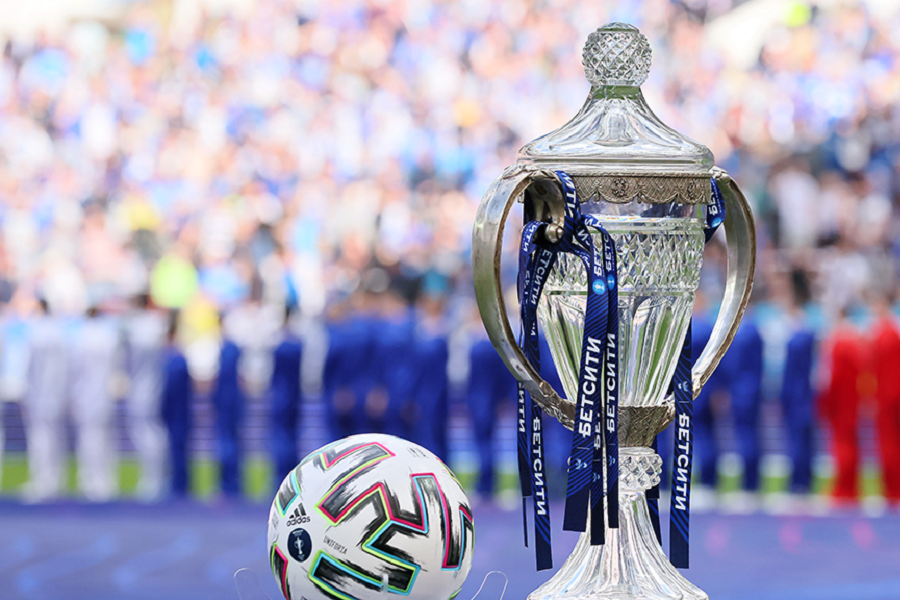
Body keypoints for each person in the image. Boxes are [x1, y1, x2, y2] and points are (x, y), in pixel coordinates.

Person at [69, 306, 120, 501]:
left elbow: (74, 371)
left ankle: (91, 481)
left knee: (89, 440)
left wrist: (72, 396)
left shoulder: (80, 338)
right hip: (105, 396)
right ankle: (106, 482)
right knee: (106, 441)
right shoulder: (108, 337)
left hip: (87, 396)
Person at [123, 293, 168, 500]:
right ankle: (155, 479)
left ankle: (154, 480)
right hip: (150, 384)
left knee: (147, 433)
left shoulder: (139, 327)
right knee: (151, 432)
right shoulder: (154, 324)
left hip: (144, 386)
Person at [22, 298, 67, 502]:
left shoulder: (36, 333)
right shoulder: (58, 332)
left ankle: (44, 481)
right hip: (54, 395)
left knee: (41, 439)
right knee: (54, 438)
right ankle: (55, 480)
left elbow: (31, 369)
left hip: (40, 395)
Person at [818, 309, 864, 504]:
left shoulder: (838, 343)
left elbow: (832, 377)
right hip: (852, 399)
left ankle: (844, 488)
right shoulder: (857, 341)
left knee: (842, 445)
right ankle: (851, 486)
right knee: (851, 443)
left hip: (841, 401)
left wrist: (826, 401)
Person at [467, 323, 516, 500]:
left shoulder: (483, 344)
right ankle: (487, 483)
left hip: (483, 400)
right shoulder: (490, 342)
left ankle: (486, 484)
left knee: (485, 444)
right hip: (486, 399)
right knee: (487, 444)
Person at [780, 276, 817, 497]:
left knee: (798, 440)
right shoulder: (807, 336)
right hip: (803, 394)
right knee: (803, 439)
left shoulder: (798, 339)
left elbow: (792, 373)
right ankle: (804, 481)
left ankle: (798, 482)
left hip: (798, 394)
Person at [723, 311, 765, 501]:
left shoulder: (743, 332)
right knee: (750, 436)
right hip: (750, 389)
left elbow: (733, 365)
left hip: (742, 391)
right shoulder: (754, 331)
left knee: (746, 436)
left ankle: (749, 485)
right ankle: (751, 483)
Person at [411, 293, 450, 462]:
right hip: (423, 389)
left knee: (436, 431)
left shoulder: (443, 329)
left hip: (437, 388)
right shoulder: (418, 329)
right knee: (424, 431)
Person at [869, 294, 900, 506]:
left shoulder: (883, 334)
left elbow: (874, 369)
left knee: (888, 444)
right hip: (893, 393)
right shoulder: (893, 332)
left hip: (886, 395)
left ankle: (892, 490)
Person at [211, 314, 245, 498]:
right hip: (232, 401)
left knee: (226, 444)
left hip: (227, 402)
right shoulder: (232, 348)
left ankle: (228, 485)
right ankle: (232, 484)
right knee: (232, 443)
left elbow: (224, 377)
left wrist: (215, 400)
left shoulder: (227, 349)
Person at [160, 312, 193, 497]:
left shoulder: (174, 359)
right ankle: (178, 484)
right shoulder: (176, 358)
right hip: (179, 412)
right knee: (177, 450)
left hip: (177, 413)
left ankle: (179, 486)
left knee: (177, 450)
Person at [270, 305, 302, 488]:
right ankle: (291, 475)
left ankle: (280, 476)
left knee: (281, 437)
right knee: (291, 436)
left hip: (282, 394)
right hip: (294, 394)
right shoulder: (297, 343)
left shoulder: (281, 344)